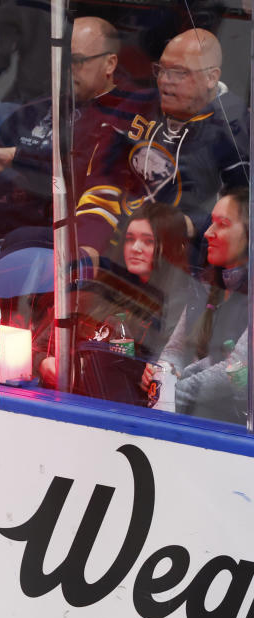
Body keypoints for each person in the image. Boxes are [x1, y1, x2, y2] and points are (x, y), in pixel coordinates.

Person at [75, 28, 250, 265]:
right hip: (112, 249)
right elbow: (103, 185)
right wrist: (89, 249)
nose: (166, 81)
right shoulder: (137, 107)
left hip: (178, 264)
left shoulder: (235, 129)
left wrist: (187, 225)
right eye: (162, 70)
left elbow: (243, 217)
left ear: (211, 77)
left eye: (179, 73)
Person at [0, 16, 126, 241]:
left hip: (51, 248)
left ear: (110, 64)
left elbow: (78, 170)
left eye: (77, 60)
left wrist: (17, 157)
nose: (67, 69)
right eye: (63, 59)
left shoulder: (124, 118)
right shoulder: (34, 109)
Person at [36, 203, 197, 395]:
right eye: (130, 239)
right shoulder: (98, 289)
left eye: (148, 241)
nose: (135, 248)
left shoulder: (180, 305)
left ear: (170, 247)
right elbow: (36, 348)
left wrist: (84, 369)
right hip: (60, 399)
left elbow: (160, 371)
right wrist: (44, 364)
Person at [145, 188, 249, 424]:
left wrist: (169, 392)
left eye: (222, 224)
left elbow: (236, 368)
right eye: (211, 223)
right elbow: (175, 351)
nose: (208, 233)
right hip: (189, 418)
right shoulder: (205, 284)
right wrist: (160, 373)